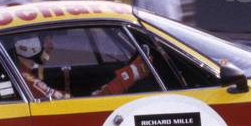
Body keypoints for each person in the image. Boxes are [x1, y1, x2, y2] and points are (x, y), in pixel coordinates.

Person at [11, 32, 149, 99]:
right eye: (48, 41)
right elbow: (72, 106)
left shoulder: (22, 73)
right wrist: (127, 77)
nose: (51, 46)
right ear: (31, 45)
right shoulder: (26, 79)